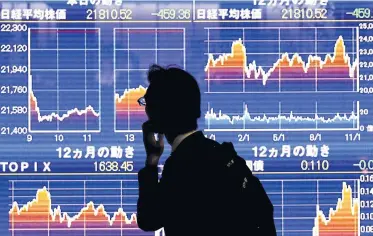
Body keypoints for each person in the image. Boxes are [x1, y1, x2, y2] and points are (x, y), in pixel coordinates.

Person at [136, 64, 276, 236]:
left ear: (160, 114)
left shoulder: (182, 165)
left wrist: (151, 161)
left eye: (147, 103)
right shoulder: (224, 155)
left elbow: (149, 219)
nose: (145, 110)